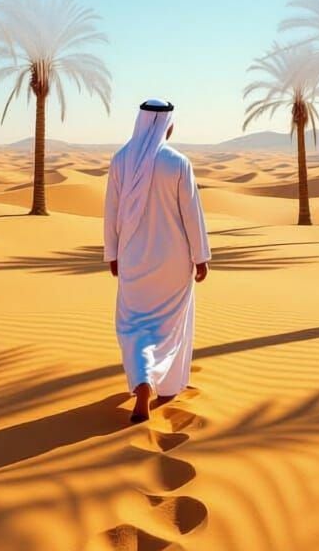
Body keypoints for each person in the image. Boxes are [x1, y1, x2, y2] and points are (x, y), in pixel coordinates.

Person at [104, 99, 211, 423]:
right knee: (169, 325)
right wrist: (200, 256)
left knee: (134, 325)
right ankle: (165, 384)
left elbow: (110, 211)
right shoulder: (177, 162)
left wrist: (112, 253)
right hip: (173, 260)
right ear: (167, 125)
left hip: (134, 258)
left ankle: (143, 381)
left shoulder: (121, 160)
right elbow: (192, 214)